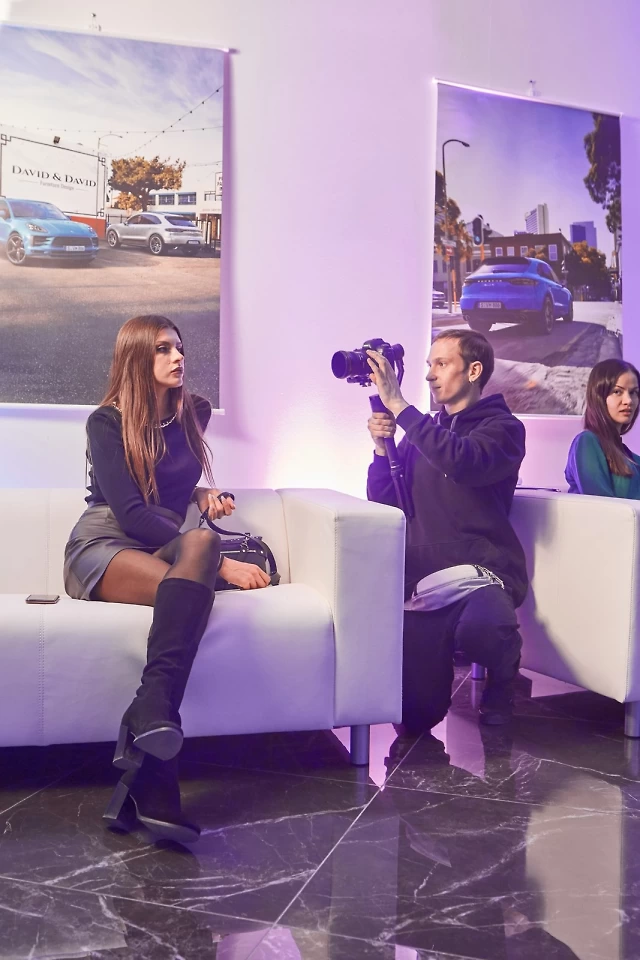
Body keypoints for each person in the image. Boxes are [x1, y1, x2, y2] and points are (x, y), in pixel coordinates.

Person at [64, 315, 271, 845]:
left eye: (178, 347)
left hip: (161, 542)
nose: (178, 357)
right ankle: (156, 773)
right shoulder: (105, 422)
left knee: (201, 541)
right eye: (162, 349)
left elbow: (173, 484)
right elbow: (132, 514)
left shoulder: (192, 411)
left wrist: (202, 494)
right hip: (106, 544)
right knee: (198, 581)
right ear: (136, 357)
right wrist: (223, 568)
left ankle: (151, 715)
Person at [366, 329, 528, 729]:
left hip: (481, 574)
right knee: (413, 717)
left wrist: (401, 407)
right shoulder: (423, 434)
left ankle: (502, 678)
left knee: (485, 629)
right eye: (428, 365)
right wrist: (382, 450)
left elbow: (462, 462)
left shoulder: (504, 429)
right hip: (424, 583)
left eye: (441, 364)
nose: (429, 375)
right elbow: (388, 503)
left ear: (473, 370)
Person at [565, 358, 640, 498]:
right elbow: (601, 504)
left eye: (633, 392)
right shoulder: (587, 441)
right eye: (617, 392)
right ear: (599, 396)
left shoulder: (630, 457)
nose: (628, 401)